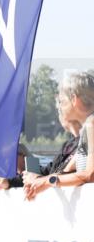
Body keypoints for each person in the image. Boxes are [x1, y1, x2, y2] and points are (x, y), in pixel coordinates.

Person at [25, 71, 94, 200]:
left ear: (74, 99)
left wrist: (47, 181)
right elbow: (66, 172)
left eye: (62, 101)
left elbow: (90, 175)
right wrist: (38, 180)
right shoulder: (87, 129)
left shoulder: (92, 124)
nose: (60, 107)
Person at [0, 106, 79, 190]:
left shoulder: (86, 144)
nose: (59, 112)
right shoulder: (67, 145)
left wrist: (39, 179)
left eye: (62, 105)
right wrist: (9, 182)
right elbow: (46, 172)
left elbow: (79, 175)